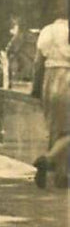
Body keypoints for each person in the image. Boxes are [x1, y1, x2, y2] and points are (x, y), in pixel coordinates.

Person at [32, 14, 70, 189]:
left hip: (49, 80)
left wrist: (36, 88)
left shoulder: (47, 31)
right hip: (67, 79)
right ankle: (47, 160)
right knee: (66, 132)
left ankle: (60, 176)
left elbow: (38, 63)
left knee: (57, 129)